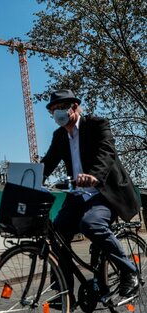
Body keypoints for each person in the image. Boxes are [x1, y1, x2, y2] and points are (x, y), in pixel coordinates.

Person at [41, 89, 141, 308]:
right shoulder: (59, 136)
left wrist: (94, 175)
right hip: (77, 195)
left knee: (91, 224)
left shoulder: (97, 125)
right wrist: (29, 178)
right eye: (53, 110)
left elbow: (107, 152)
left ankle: (129, 271)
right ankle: (63, 291)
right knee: (56, 233)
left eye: (60, 108)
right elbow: (48, 162)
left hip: (104, 193)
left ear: (74, 107)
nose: (57, 113)